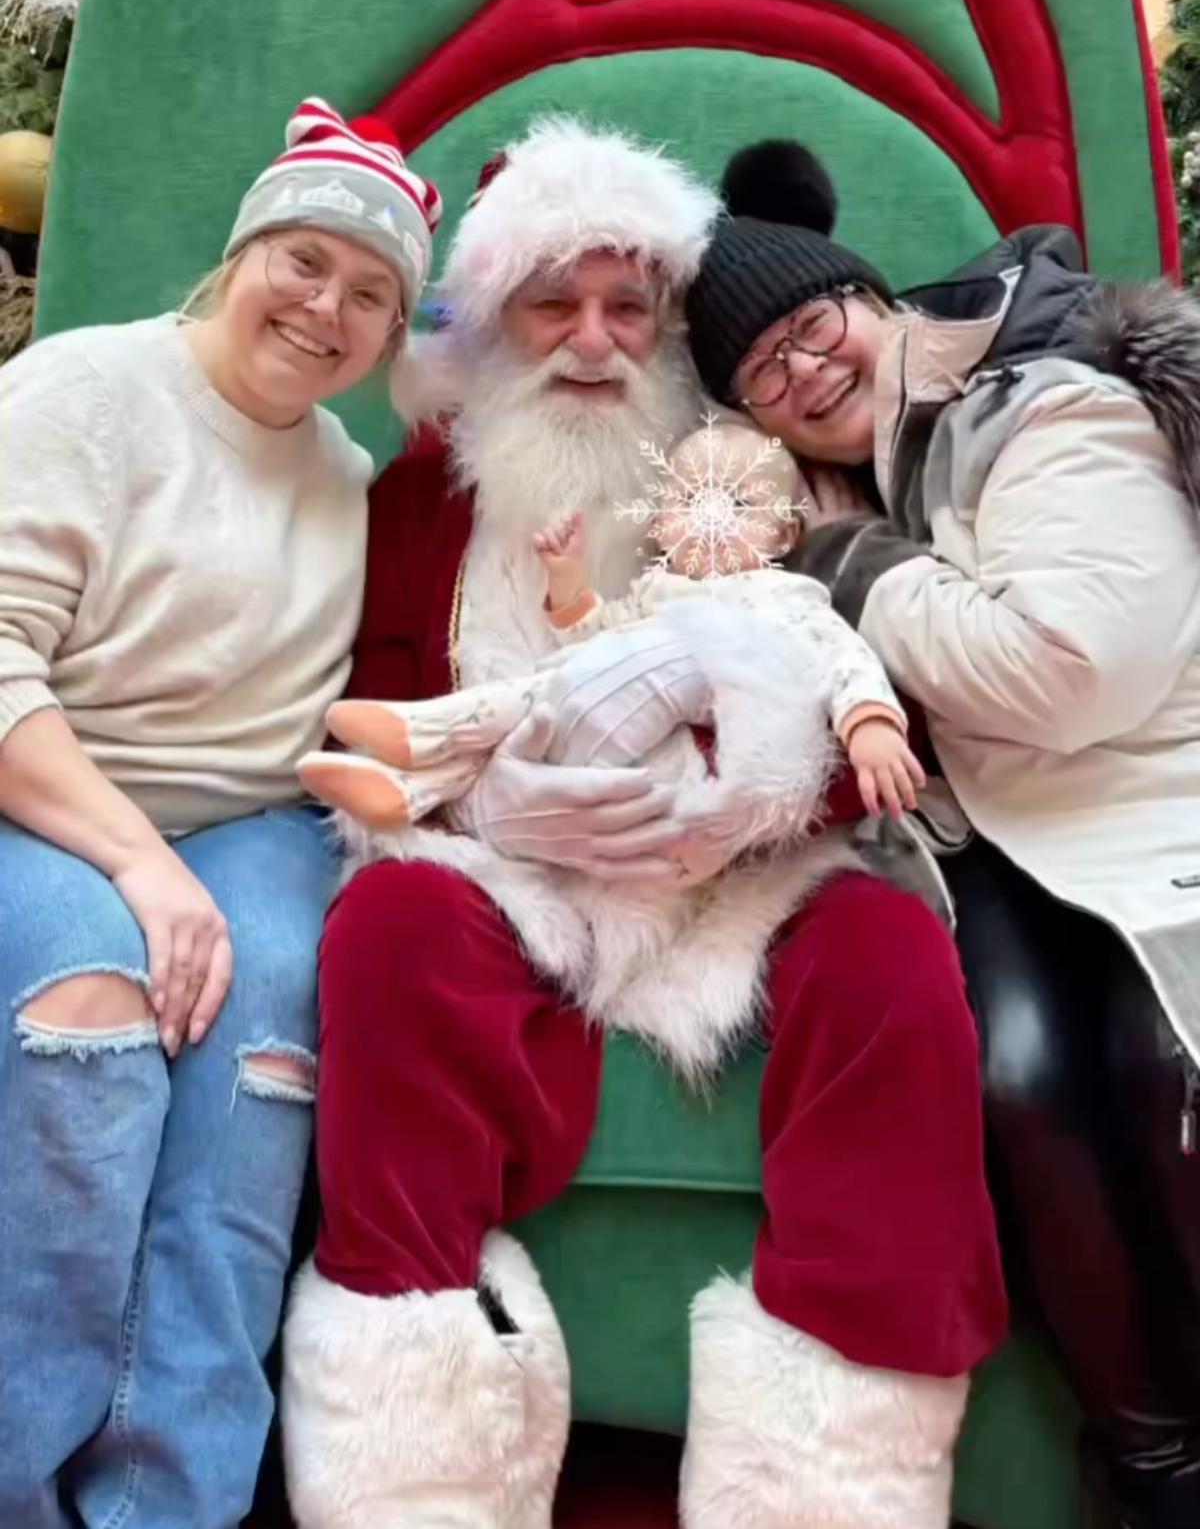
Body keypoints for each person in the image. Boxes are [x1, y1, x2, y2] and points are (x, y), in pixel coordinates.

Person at [281, 114, 1006, 1529]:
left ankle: (827, 1478)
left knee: (891, 959)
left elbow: (882, 712)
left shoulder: (756, 480)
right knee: (387, 921)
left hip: (743, 874)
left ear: (672, 324)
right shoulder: (422, 496)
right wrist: (490, 793)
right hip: (508, 865)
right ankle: (416, 1462)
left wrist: (764, 791)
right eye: (556, 303)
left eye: (632, 307)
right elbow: (363, 712)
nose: (596, 342)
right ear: (493, 322)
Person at [685, 136, 1200, 1529]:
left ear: (875, 298)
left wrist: (859, 572)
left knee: (1164, 1071)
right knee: (1018, 1077)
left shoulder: (1041, 404)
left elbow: (1072, 667)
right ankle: (1148, 1463)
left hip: (1153, 801)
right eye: (761, 374)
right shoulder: (855, 474)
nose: (801, 372)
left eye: (811, 325)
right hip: (999, 842)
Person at [0, 96, 441, 1529]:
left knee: (265, 1061)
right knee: (88, 1025)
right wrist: (137, 866)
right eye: (305, 261)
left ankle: (165, 1499)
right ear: (241, 249)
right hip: (48, 793)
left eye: (372, 293)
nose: (329, 307)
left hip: (248, 818)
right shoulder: (84, 390)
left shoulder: (348, 478)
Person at [298, 415, 924, 839]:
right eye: (689, 501)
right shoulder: (658, 592)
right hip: (603, 735)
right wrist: (568, 584)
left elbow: (840, 654)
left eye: (737, 505)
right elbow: (596, 639)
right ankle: (408, 789)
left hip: (679, 773)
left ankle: (428, 730)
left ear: (784, 533)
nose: (710, 521)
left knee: (544, 693)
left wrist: (869, 723)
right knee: (547, 699)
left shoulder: (777, 594)